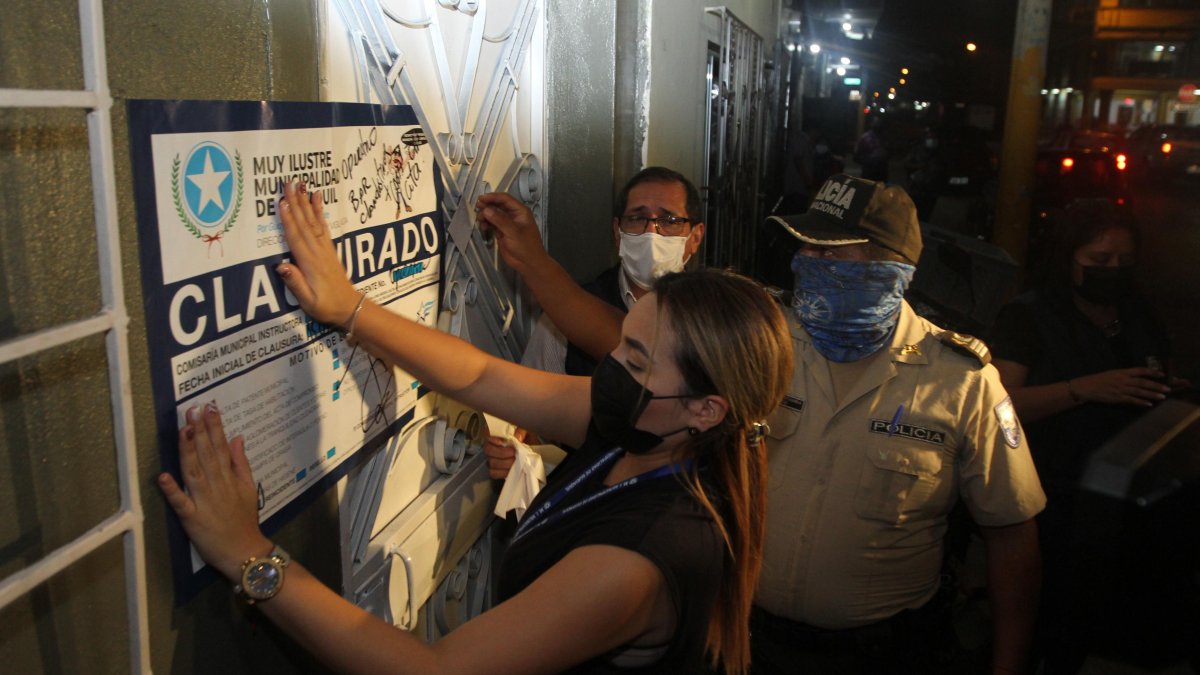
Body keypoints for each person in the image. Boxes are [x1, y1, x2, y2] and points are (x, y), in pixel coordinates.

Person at [157, 181, 793, 674]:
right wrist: (348, 307)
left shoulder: (644, 557)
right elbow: (481, 376)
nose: (611, 370)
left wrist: (249, 556)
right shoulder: (641, 426)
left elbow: (433, 668)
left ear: (705, 409)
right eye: (622, 346)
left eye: (634, 361)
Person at [751, 174, 1046, 674]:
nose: (807, 264)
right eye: (805, 249)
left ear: (891, 268)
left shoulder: (962, 382)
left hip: (883, 654)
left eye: (831, 253)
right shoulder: (765, 343)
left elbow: (1012, 537)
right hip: (752, 641)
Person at [988, 200, 1189, 673]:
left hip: (1118, 501)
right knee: (1045, 620)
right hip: (1051, 499)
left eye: (1124, 261)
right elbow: (998, 407)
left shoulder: (1138, 312)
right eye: (1099, 262)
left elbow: (1161, 369)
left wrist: (1164, 390)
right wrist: (1085, 389)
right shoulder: (1030, 317)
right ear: (1067, 258)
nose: (1113, 271)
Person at [517, 166, 705, 378]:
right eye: (637, 218)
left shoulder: (715, 316)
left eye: (669, 221)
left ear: (695, 237)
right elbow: (534, 399)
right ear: (617, 232)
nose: (651, 232)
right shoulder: (568, 316)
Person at [853, 117, 889, 182]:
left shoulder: (885, 138)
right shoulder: (864, 138)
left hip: (882, 171)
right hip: (869, 172)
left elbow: (890, 152)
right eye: (876, 124)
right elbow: (856, 156)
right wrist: (869, 161)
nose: (878, 126)